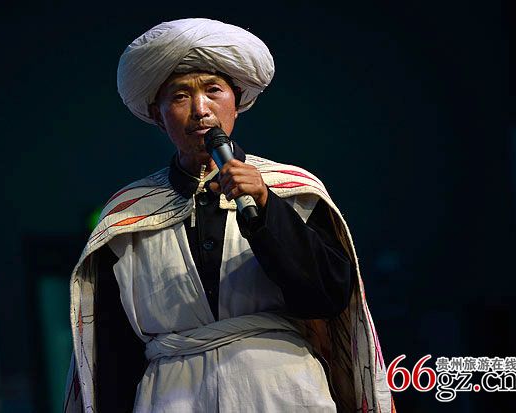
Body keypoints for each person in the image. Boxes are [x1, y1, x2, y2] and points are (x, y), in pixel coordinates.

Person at [63, 18, 395, 413]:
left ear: (236, 102)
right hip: (170, 397)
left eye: (213, 91)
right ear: (158, 115)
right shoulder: (127, 215)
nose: (200, 110)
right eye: (180, 96)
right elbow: (112, 350)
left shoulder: (293, 190)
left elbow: (329, 297)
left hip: (281, 389)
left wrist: (266, 205)